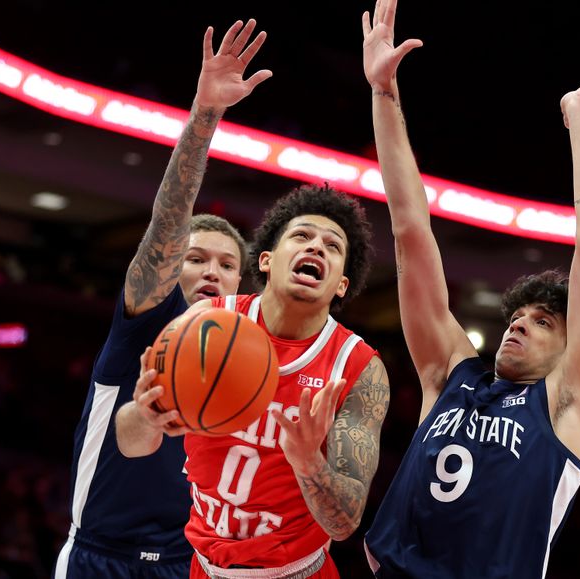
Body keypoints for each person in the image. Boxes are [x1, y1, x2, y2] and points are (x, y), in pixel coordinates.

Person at [360, 0, 580, 577]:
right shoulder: (449, 374)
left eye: (545, 321)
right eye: (520, 315)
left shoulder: (570, 404)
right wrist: (383, 96)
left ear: (573, 350)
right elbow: (410, 228)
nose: (519, 323)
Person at [54, 18, 271, 579]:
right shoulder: (145, 317)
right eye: (195, 259)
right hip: (101, 557)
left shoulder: (249, 350)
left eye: (227, 265)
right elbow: (166, 225)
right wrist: (205, 116)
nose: (210, 272)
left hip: (188, 563)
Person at [117, 180, 391, 578]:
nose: (316, 247)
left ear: (341, 285)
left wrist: (309, 463)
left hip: (296, 571)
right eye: (301, 236)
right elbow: (130, 443)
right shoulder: (205, 321)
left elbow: (345, 523)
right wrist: (146, 414)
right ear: (266, 260)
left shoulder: (359, 367)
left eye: (333, 246)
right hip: (204, 567)